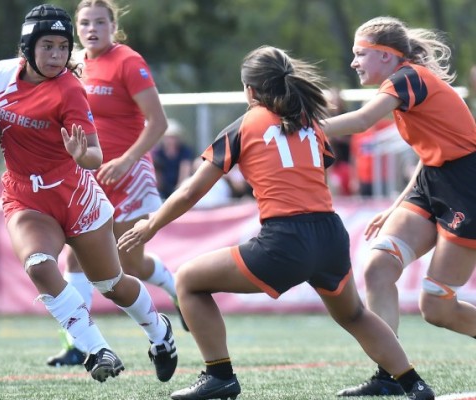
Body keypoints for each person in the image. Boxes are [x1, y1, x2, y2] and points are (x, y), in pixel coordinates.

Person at [118, 45, 434, 400]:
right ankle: (413, 383)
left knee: (188, 281)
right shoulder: (309, 122)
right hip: (330, 234)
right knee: (355, 314)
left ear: (250, 90)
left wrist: (152, 225)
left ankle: (219, 376)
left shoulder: (245, 125)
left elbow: (191, 191)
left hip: (286, 239)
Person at [0, 3, 177, 383]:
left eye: (63, 47)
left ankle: (159, 333)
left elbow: (95, 154)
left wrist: (85, 156)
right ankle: (96, 348)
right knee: (38, 265)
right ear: (27, 47)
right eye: (47, 45)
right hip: (25, 196)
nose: (56, 55)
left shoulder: (70, 90)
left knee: (111, 284)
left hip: (75, 195)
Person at [320, 16, 476, 397]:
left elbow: (360, 121)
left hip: (467, 187)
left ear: (388, 57)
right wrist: (398, 205)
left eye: (361, 54)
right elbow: (429, 155)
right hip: (433, 182)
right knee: (376, 268)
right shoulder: (407, 80)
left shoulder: (407, 78)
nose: (354, 62)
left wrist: (301, 126)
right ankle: (389, 375)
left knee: (436, 307)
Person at [45, 0, 183, 368]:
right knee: (74, 253)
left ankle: (175, 287)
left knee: (128, 262)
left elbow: (158, 123)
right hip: (89, 176)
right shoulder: (72, 65)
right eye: (85, 23)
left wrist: (126, 160)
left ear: (113, 25)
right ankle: (78, 343)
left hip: (128, 174)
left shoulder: (127, 61)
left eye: (100, 22)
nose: (92, 29)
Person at [152, 119, 195, 199]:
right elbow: (157, 176)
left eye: (173, 137)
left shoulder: (185, 151)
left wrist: (178, 192)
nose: (170, 140)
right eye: (167, 137)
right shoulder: (158, 153)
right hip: (162, 190)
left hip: (180, 189)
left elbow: (184, 175)